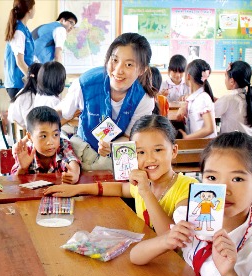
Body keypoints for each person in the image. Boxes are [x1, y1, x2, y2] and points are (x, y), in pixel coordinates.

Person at [130, 132, 252, 276]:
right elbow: (135, 257)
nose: (223, 190)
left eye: (237, 179)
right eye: (212, 178)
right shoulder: (191, 221)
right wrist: (166, 240)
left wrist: (229, 274)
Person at [45, 115, 198, 235]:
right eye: (141, 152)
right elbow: (120, 188)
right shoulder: (144, 182)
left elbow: (170, 237)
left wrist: (145, 192)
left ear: (174, 151)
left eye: (158, 150)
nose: (150, 159)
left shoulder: (190, 188)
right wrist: (77, 190)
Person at [56, 32, 156, 170]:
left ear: (142, 70)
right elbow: (62, 114)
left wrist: (113, 146)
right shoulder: (85, 84)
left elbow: (130, 136)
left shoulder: (144, 99)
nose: (118, 70)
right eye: (114, 60)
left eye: (128, 64)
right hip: (81, 154)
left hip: (118, 159)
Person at [11, 106, 81, 184]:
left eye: (55, 135)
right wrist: (22, 168)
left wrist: (74, 173)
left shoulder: (62, 144)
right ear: (30, 137)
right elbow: (14, 183)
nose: (50, 142)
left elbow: (72, 159)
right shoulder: (25, 152)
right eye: (43, 136)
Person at [8, 61, 66, 129]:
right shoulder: (30, 97)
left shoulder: (37, 95)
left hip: (20, 132)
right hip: (25, 134)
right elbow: (32, 123)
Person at [215, 61, 252, 136]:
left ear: (232, 81)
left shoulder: (228, 99)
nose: (225, 79)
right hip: (251, 140)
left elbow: (211, 113)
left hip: (233, 143)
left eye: (226, 76)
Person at [177, 59, 217, 139]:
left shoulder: (203, 98)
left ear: (188, 76)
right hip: (198, 144)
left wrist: (187, 138)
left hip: (204, 146)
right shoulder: (195, 97)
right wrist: (183, 108)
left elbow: (209, 128)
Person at [4, 0, 36, 100]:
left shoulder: (24, 29)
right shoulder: (19, 31)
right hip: (17, 83)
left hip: (22, 82)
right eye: (34, 7)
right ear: (29, 10)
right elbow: (20, 62)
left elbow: (28, 57)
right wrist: (34, 80)